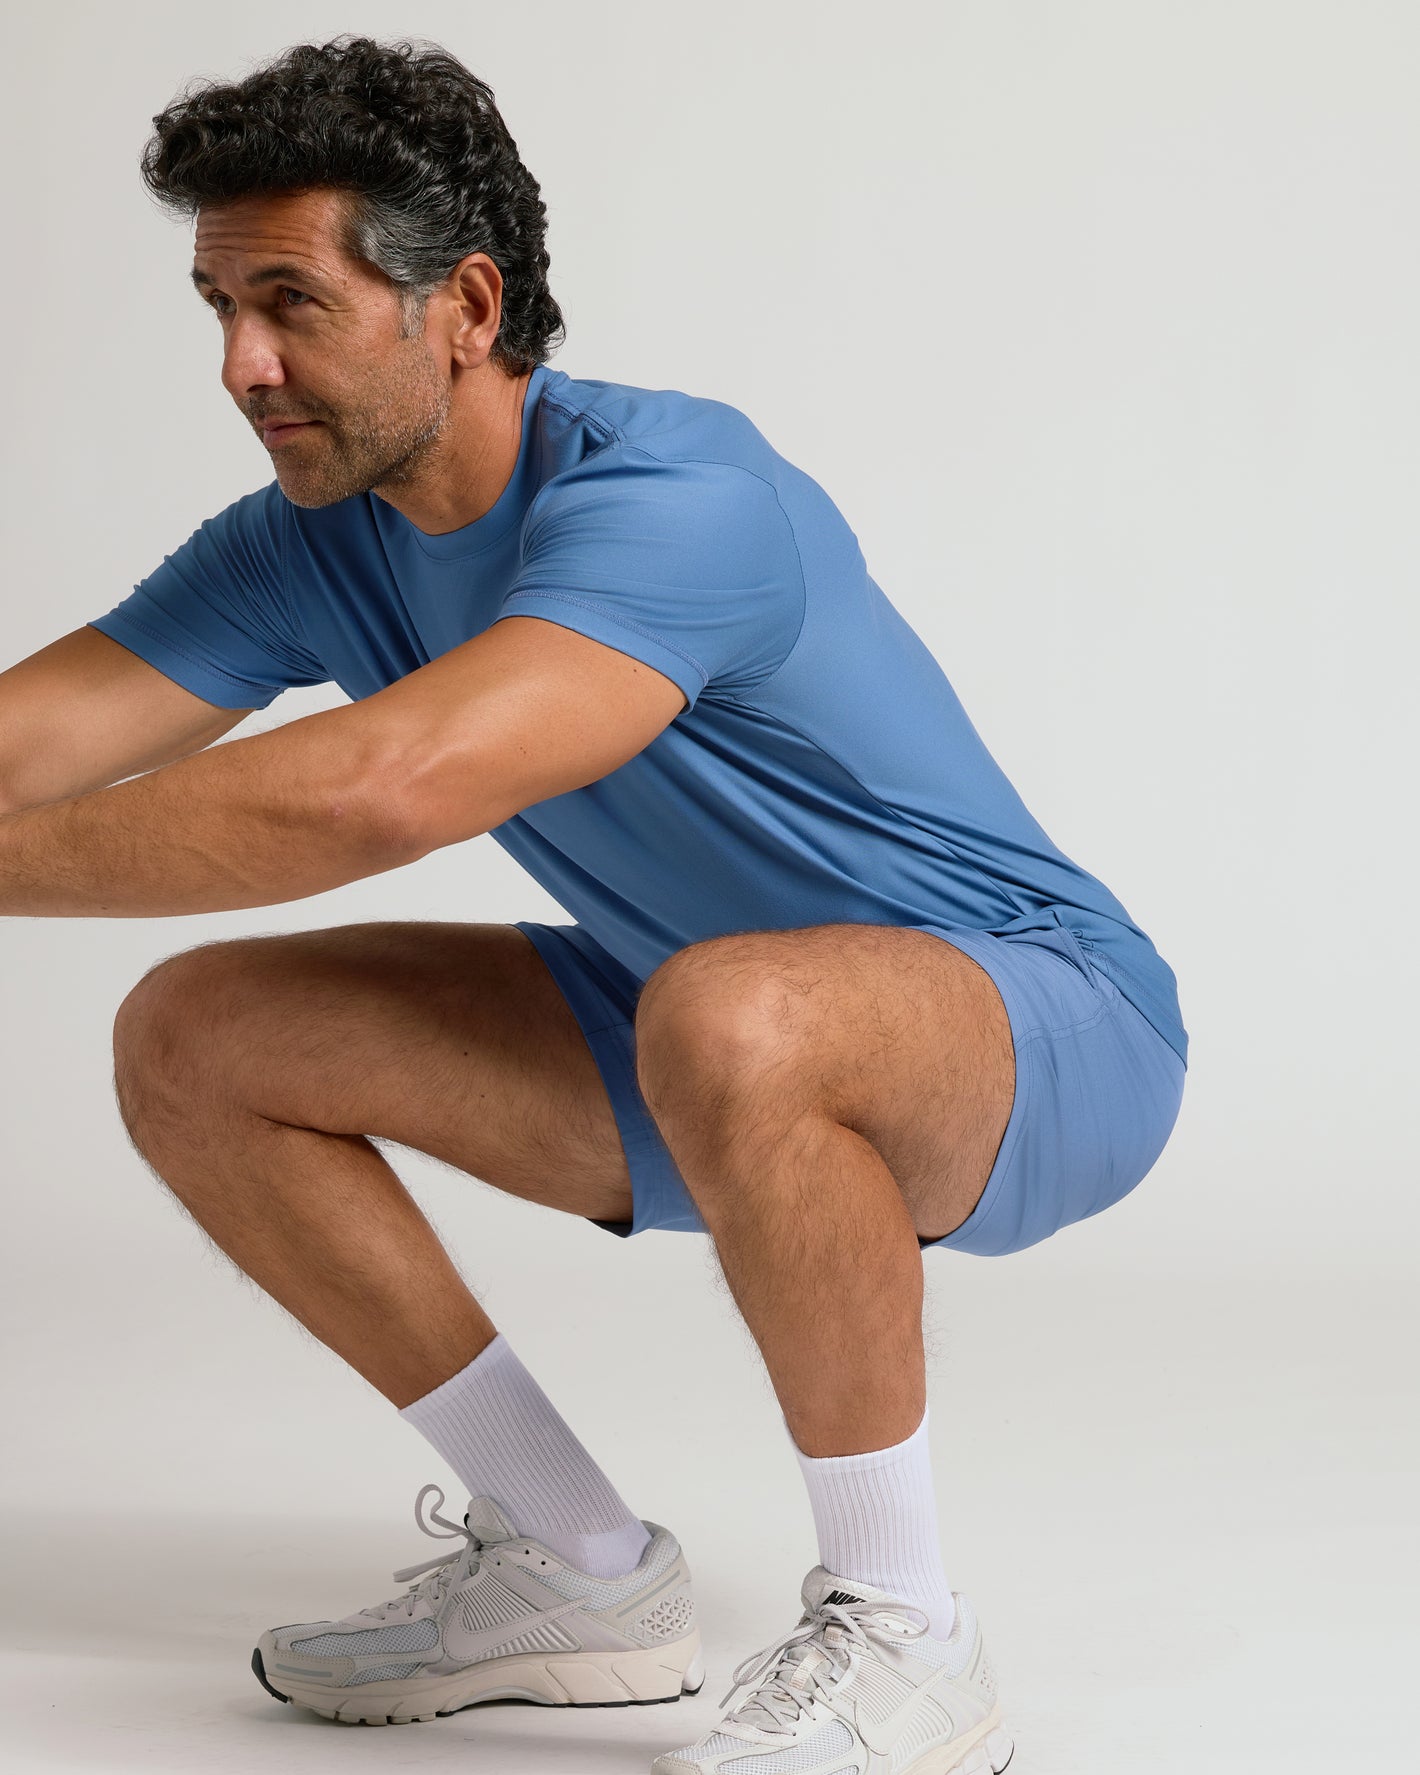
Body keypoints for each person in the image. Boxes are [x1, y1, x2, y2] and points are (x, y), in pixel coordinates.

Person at [0, 33, 1187, 1775]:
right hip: (695, 1023)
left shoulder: (679, 496)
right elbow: (30, 747)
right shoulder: (304, 543)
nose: (243, 365)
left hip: (1042, 1024)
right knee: (199, 1035)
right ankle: (578, 1569)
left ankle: (911, 1634)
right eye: (220, 309)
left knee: (736, 1008)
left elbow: (383, 789)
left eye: (290, 303)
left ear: (465, 307)